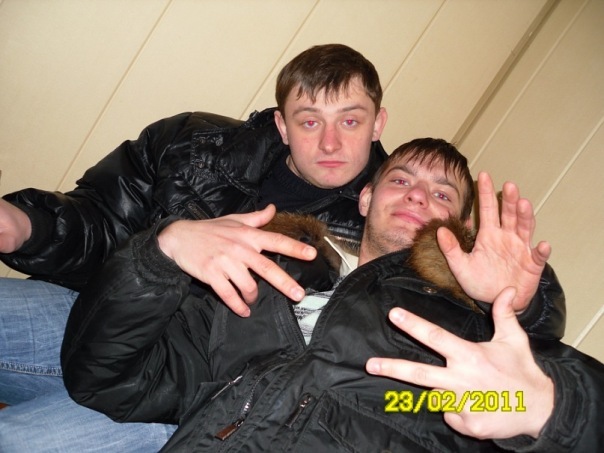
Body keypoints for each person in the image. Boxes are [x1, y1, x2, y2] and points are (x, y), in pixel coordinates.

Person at [0, 43, 562, 450]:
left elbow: (502, 387)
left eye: (440, 194)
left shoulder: (449, 312)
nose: (331, 143)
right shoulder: (275, 225)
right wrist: (29, 226)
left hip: (203, 407)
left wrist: (517, 305)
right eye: (310, 121)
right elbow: (105, 223)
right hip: (135, 326)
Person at [61, 138, 602, 451]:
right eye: (401, 180)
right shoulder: (267, 260)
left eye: (441, 195)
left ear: (458, 228)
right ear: (365, 198)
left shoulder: (468, 324)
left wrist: (539, 403)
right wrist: (161, 253)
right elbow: (108, 380)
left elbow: (495, 402)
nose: (418, 196)